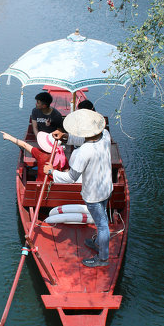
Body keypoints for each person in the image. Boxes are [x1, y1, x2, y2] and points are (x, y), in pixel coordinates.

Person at [44, 109, 112, 268]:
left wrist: (51, 172)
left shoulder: (83, 152)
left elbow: (70, 178)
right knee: (101, 221)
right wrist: (65, 137)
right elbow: (87, 140)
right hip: (106, 187)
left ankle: (103, 258)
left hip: (94, 194)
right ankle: (98, 243)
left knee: (102, 226)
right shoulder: (106, 136)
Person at [1, 130, 68, 181]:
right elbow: (66, 172)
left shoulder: (40, 154)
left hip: (39, 187)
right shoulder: (62, 157)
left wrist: (9, 137)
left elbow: (24, 145)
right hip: (56, 189)